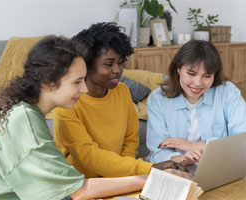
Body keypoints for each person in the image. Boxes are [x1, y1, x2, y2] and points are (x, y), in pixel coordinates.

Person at [0, 36, 191, 200]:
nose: (84, 89)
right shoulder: (24, 123)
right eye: (77, 82)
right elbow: (76, 191)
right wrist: (150, 178)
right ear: (48, 82)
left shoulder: (24, 112)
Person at [53, 22, 176, 178]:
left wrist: (125, 174)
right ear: (86, 65)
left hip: (118, 178)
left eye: (120, 62)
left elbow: (130, 139)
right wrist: (148, 168)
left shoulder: (123, 91)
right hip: (80, 183)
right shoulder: (66, 104)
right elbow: (88, 155)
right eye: (108, 64)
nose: (117, 70)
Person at [146, 40, 246, 165]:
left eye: (207, 76)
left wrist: (194, 146)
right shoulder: (158, 99)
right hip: (175, 169)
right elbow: (157, 152)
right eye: (191, 73)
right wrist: (180, 159)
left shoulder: (227, 92)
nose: (198, 83)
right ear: (178, 68)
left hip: (219, 166)